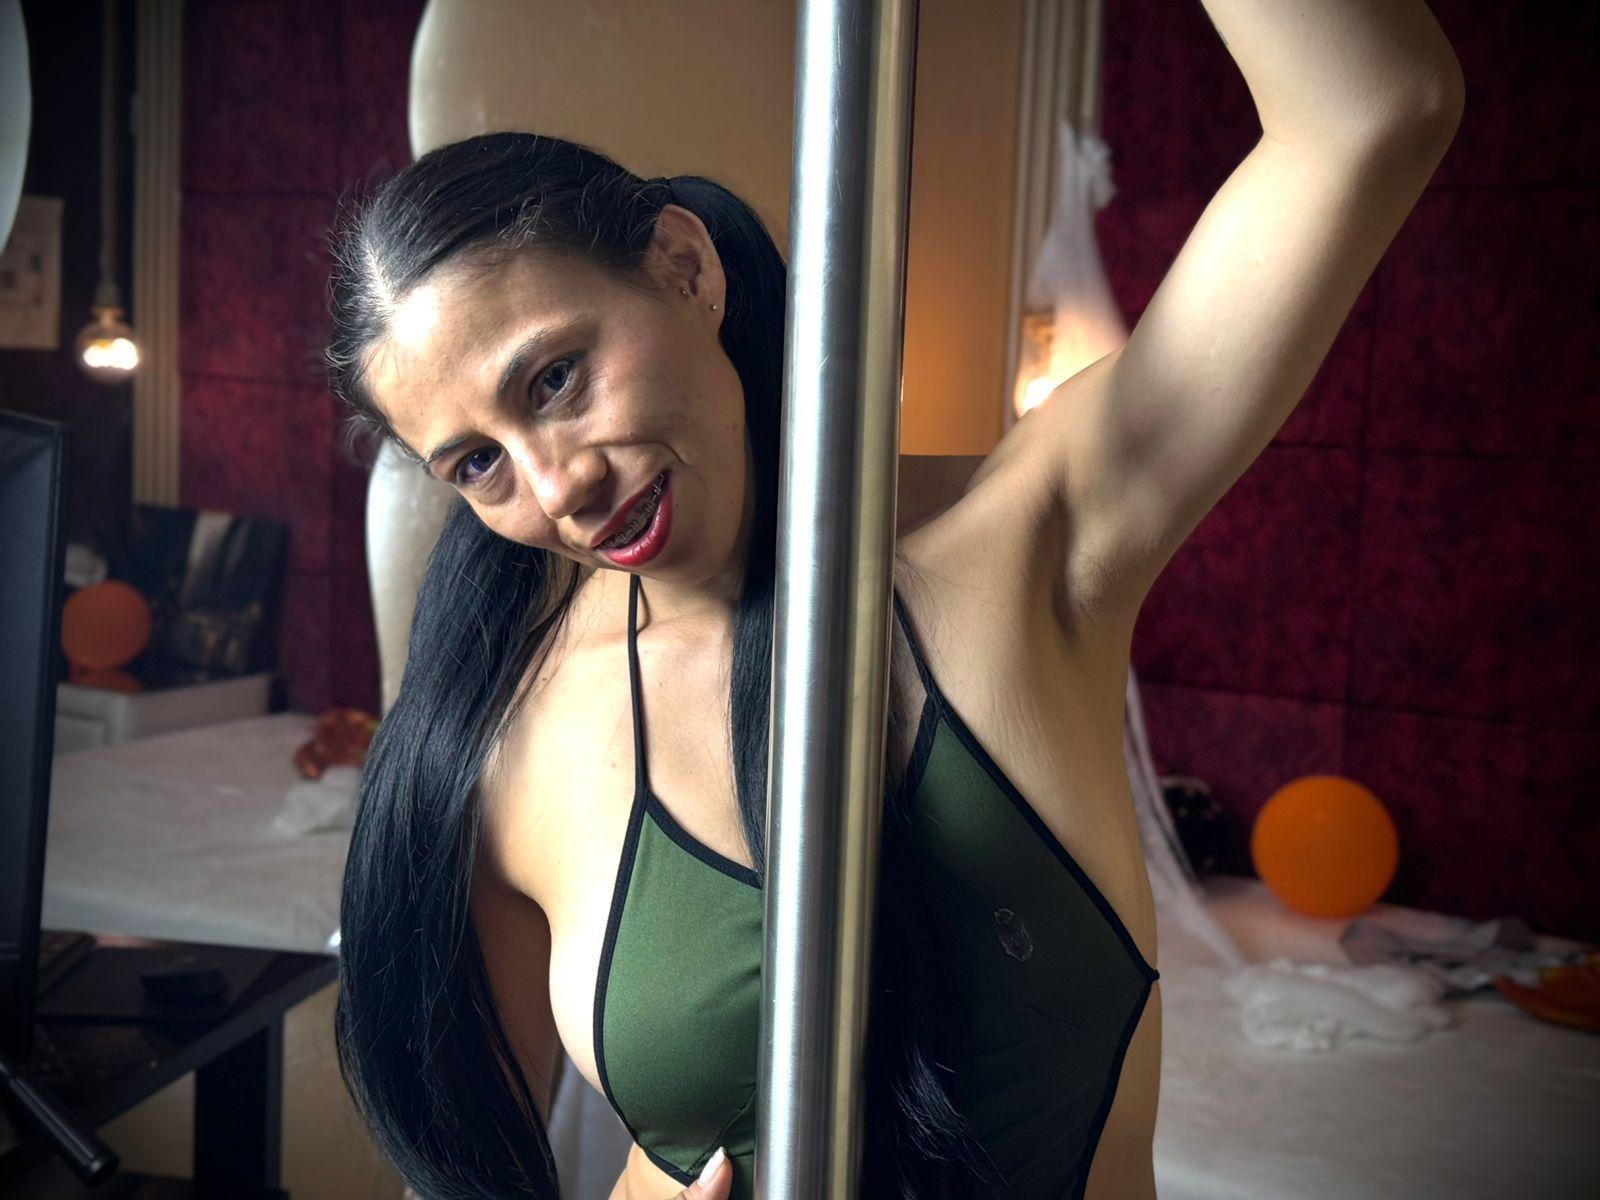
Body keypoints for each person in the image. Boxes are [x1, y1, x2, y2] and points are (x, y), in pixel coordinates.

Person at [326, 6, 1463, 1197]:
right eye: (478, 464)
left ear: (683, 266)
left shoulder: (1032, 550)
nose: (558, 487)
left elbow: (1370, 111)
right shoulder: (507, 752)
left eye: (556, 378)